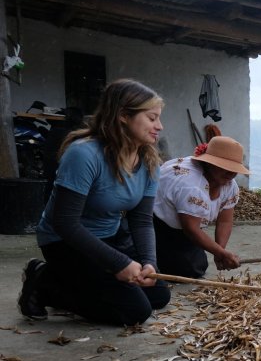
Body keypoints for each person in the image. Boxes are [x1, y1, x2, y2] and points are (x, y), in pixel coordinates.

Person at [17, 78, 171, 325]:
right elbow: (65, 222)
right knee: (134, 311)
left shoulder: (149, 161)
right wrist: (118, 262)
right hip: (64, 241)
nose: (159, 126)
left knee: (158, 294)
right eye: (152, 118)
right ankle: (45, 282)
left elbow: (141, 220)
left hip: (107, 236)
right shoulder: (84, 154)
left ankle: (78, 284)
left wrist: (149, 263)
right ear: (123, 115)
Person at [152, 135, 249, 278]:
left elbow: (225, 221)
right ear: (210, 164)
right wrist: (221, 253)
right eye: (225, 168)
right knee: (189, 269)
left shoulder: (229, 185)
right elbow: (191, 229)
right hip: (156, 225)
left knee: (197, 264)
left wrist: (220, 251)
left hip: (186, 228)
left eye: (234, 169)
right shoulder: (191, 184)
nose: (231, 173)